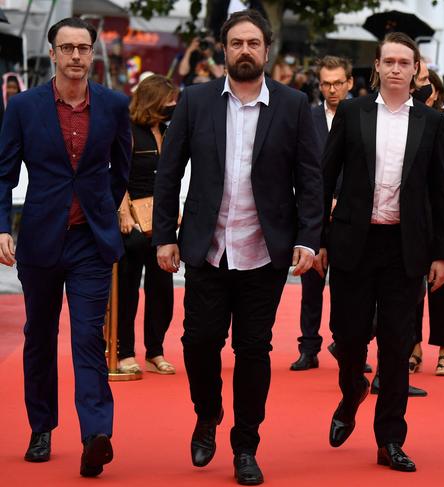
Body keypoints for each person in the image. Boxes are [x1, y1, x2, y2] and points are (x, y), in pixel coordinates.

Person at [152, 10, 322, 485]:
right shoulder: (195, 100)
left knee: (253, 349)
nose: (245, 50)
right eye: (236, 43)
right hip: (207, 248)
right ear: (223, 51)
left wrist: (310, 238)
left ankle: (245, 444)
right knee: (198, 342)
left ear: (267, 50)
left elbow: (310, 177)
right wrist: (165, 236)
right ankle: (207, 415)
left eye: (253, 43)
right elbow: (168, 173)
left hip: (264, 252)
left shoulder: (293, 105)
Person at [314, 32, 444, 472]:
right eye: (388, 61)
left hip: (404, 247)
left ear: (416, 69)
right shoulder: (353, 113)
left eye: (404, 62)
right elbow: (324, 177)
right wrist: (317, 238)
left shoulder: (432, 123)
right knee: (349, 337)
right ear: (376, 66)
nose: (396, 68)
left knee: (397, 346)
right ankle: (352, 389)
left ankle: (389, 438)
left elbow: (442, 193)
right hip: (353, 242)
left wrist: (443, 254)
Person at [0, 17, 130, 477]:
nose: (76, 56)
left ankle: (96, 434)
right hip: (40, 239)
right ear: (52, 54)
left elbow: (122, 169)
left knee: (88, 337)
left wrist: (101, 208)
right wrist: (2, 226)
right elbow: (4, 172)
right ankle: (41, 426)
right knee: (39, 336)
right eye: (67, 48)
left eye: (84, 48)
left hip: (90, 243)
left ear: (93, 54)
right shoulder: (25, 107)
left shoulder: (115, 105)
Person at [290, 55, 353, 371]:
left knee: (348, 289)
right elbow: (300, 167)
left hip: (349, 217)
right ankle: (309, 347)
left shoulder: (361, 117)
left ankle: (346, 346)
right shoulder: (308, 117)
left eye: (337, 83)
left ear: (349, 83)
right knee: (311, 284)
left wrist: (344, 198)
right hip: (313, 215)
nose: (332, 90)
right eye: (326, 84)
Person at [116, 75, 178, 375]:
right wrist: (124, 212)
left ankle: (155, 349)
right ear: (153, 101)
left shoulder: (167, 131)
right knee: (127, 289)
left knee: (162, 290)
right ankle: (124, 350)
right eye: (168, 102)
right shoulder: (127, 131)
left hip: (161, 223)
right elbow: (114, 174)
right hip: (132, 223)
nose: (173, 106)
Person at [409, 66, 444, 376]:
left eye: (427, 84)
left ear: (438, 92)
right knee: (411, 283)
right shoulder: (406, 123)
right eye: (418, 85)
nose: (422, 89)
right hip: (413, 213)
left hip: (443, 213)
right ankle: (412, 345)